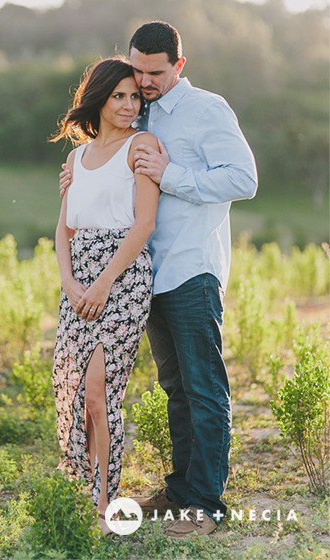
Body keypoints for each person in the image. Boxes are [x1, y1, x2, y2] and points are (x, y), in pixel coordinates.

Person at [60, 21, 258, 538]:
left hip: (192, 267)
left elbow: (244, 178)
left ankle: (207, 506)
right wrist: (79, 176)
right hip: (146, 274)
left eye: (154, 73)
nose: (143, 82)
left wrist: (172, 175)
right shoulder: (138, 111)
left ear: (179, 65)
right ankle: (180, 489)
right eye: (138, 71)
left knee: (204, 387)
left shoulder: (207, 110)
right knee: (174, 388)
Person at [49, 56, 160, 534]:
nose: (129, 104)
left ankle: (104, 505)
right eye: (119, 95)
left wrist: (103, 282)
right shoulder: (76, 158)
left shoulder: (143, 146)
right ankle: (83, 485)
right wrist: (69, 282)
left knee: (100, 392)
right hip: (79, 280)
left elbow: (144, 225)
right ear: (98, 98)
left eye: (134, 96)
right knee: (75, 390)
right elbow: (64, 229)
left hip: (124, 276)